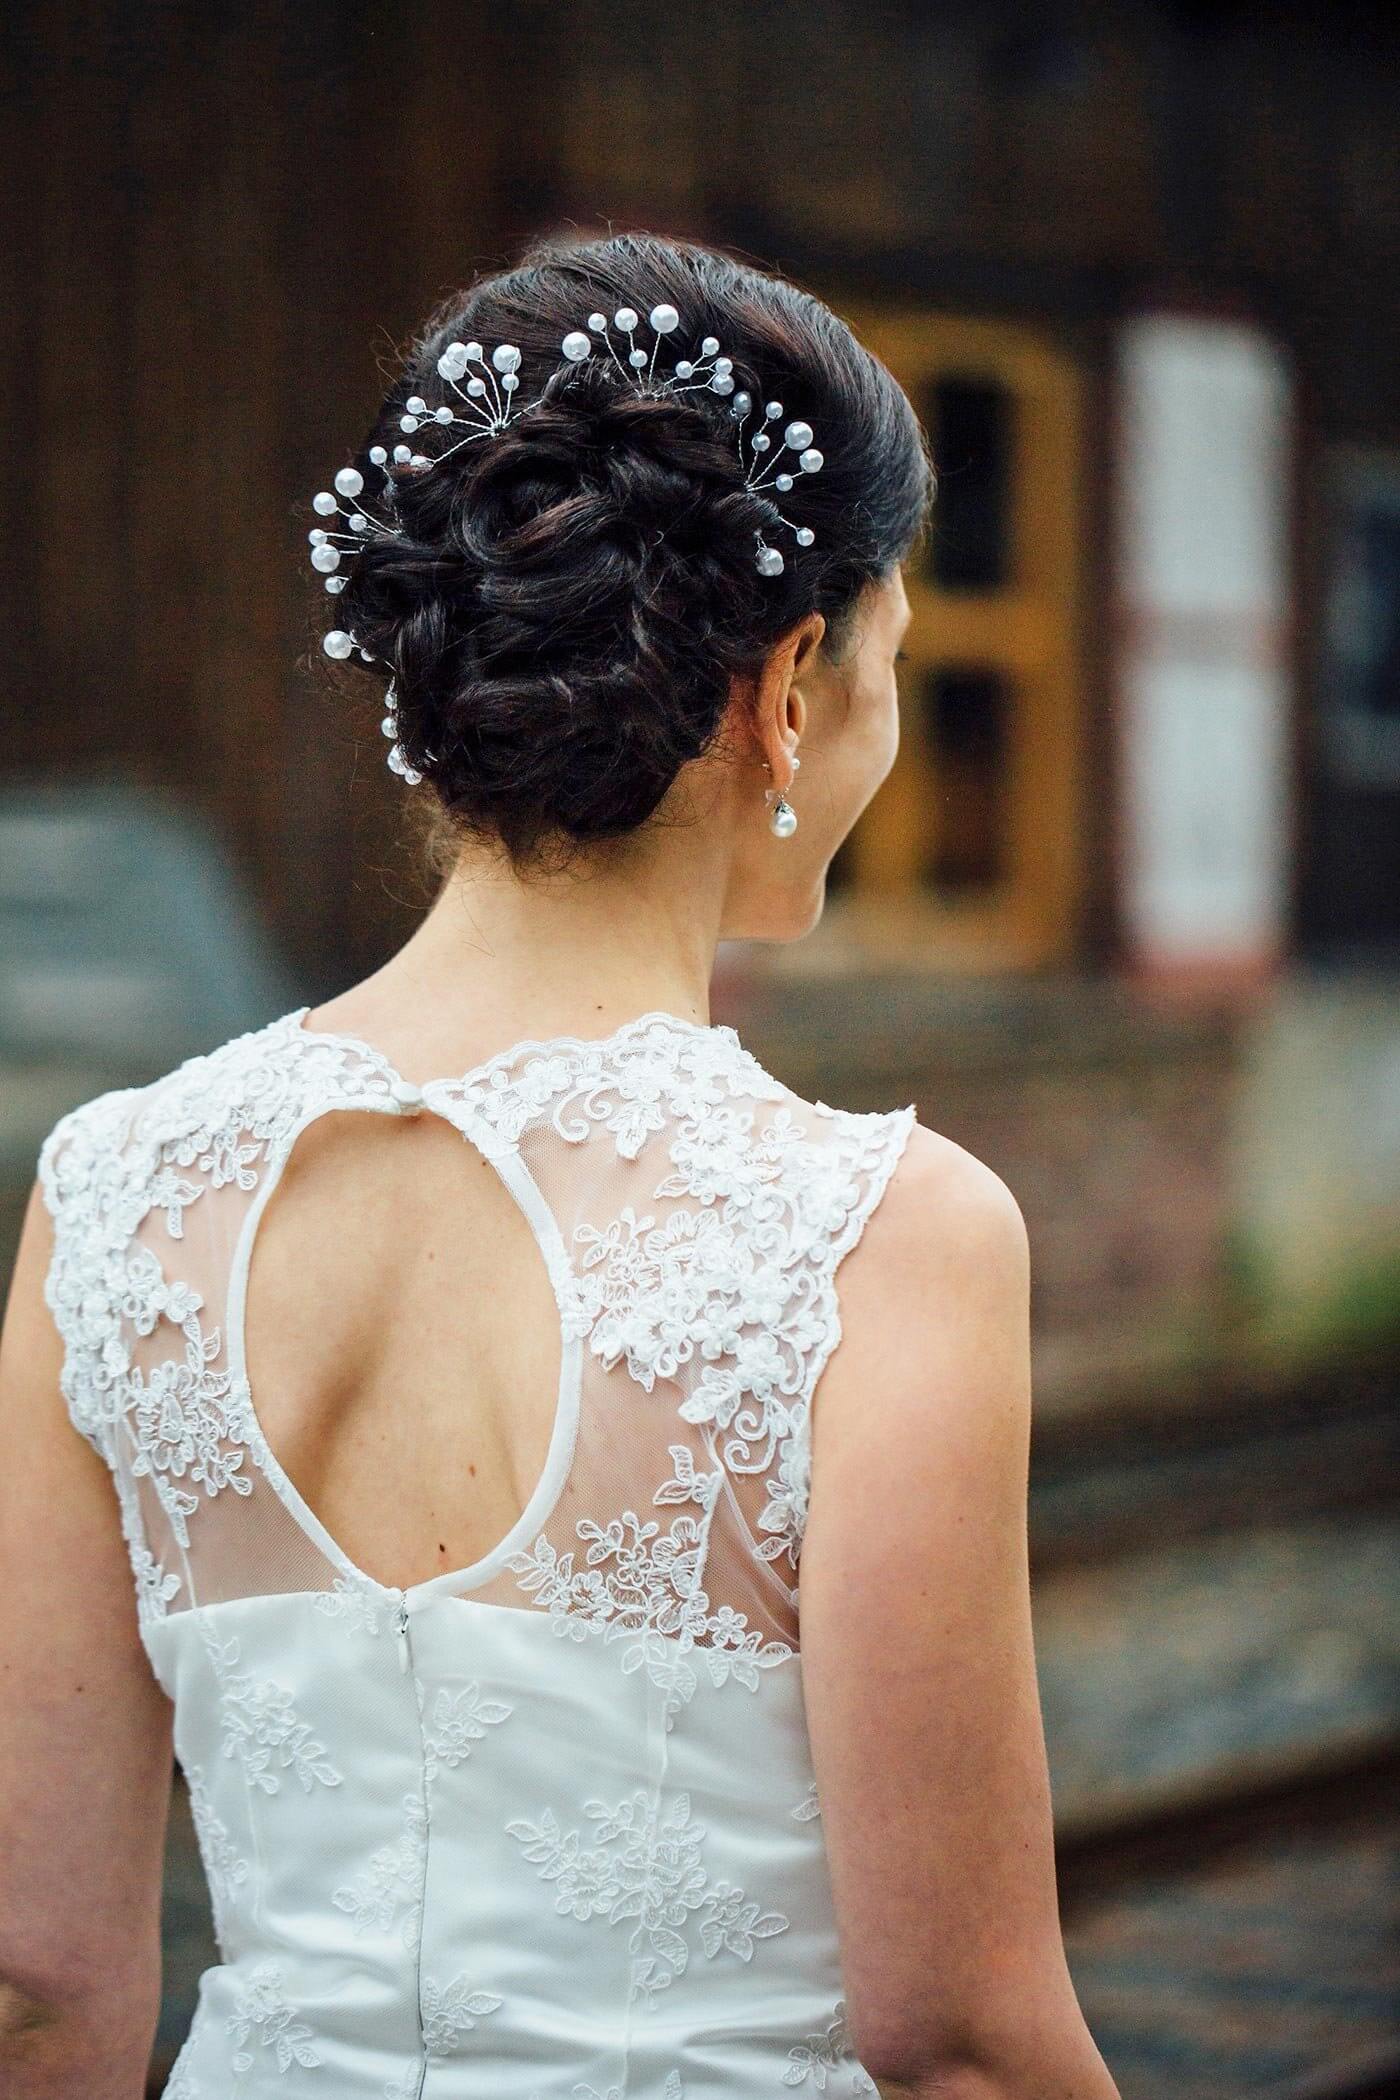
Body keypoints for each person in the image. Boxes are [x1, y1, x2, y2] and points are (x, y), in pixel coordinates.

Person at [0, 230, 1119, 2100]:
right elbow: (964, 2050)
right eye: (890, 664)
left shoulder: (111, 1200)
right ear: (783, 689)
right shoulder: (875, 1242)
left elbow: (35, 1987)